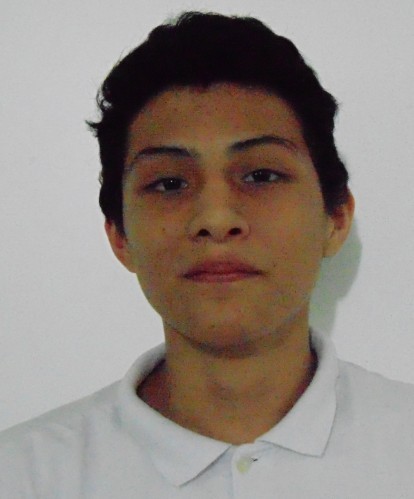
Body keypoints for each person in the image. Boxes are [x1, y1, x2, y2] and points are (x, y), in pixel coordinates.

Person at [1, 10, 413, 498]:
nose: (216, 218)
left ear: (336, 218)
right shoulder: (22, 476)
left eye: (261, 175)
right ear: (119, 236)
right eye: (169, 183)